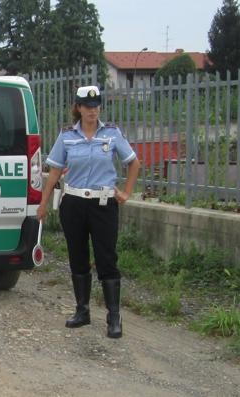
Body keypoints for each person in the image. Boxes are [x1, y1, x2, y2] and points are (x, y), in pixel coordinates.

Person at [36, 85, 140, 338]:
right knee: (77, 256)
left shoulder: (112, 134)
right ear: (78, 108)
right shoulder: (67, 136)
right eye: (87, 106)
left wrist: (126, 193)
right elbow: (55, 172)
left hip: (103, 204)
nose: (92, 111)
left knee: (107, 258)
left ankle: (114, 317)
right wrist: (43, 203)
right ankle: (82, 311)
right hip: (73, 203)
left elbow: (134, 162)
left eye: (96, 106)